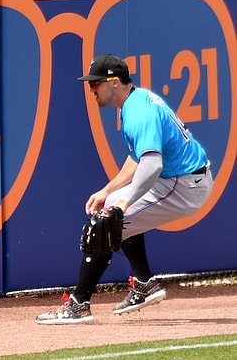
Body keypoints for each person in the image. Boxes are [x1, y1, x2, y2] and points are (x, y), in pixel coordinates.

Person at [36, 54, 213, 324]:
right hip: (181, 178)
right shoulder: (134, 102)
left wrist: (123, 203)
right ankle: (144, 283)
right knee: (115, 209)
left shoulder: (139, 111)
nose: (91, 90)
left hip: (184, 184)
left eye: (95, 84)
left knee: (106, 223)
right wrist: (109, 191)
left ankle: (78, 305)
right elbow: (138, 158)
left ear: (114, 83)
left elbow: (152, 165)